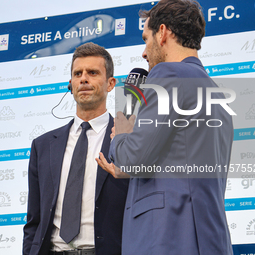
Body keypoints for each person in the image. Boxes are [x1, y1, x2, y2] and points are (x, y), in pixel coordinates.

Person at [96, 0, 234, 254]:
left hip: (167, 236)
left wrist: (122, 136)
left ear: (162, 33)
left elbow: (133, 158)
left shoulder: (168, 75)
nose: (144, 52)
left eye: (145, 38)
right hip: (206, 238)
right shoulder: (216, 92)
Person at [23, 42, 128, 255]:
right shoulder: (42, 146)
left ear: (110, 83)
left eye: (92, 72)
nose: (84, 79)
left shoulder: (128, 137)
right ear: (70, 83)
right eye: (77, 73)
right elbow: (34, 221)